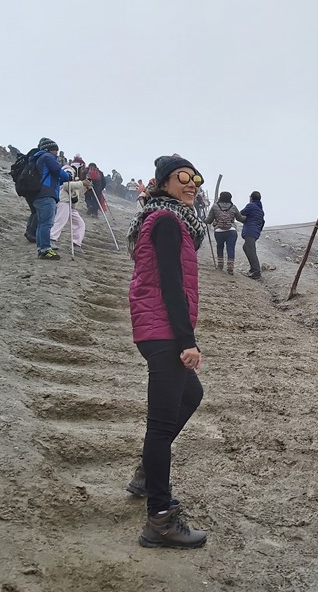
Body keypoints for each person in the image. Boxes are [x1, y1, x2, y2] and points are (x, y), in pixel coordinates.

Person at [126, 155, 207, 549]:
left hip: (155, 329)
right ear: (162, 183)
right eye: (183, 177)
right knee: (159, 428)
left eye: (196, 178)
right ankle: (160, 518)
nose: (192, 183)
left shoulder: (164, 218)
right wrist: (186, 340)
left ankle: (146, 473)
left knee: (192, 394)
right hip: (163, 332)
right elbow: (171, 285)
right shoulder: (167, 221)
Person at [31, 138, 72, 260]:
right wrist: (69, 176)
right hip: (46, 194)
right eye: (55, 150)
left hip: (38, 194)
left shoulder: (38, 158)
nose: (57, 153)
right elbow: (60, 173)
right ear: (50, 149)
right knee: (47, 223)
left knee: (42, 223)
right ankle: (45, 249)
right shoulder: (48, 157)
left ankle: (41, 249)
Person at [204, 191, 245, 275]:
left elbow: (209, 220)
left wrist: (203, 219)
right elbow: (240, 218)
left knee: (220, 247)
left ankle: (220, 265)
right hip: (232, 231)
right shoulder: (233, 207)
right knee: (230, 248)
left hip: (219, 231)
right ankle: (230, 268)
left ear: (220, 197)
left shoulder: (215, 206)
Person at [50, 167, 88, 255]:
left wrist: (86, 187)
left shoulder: (76, 178)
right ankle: (51, 239)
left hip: (70, 205)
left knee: (80, 223)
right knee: (60, 221)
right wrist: (82, 183)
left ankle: (76, 244)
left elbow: (76, 192)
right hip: (64, 201)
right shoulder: (68, 171)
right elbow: (66, 185)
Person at [240, 190, 265, 279]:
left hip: (250, 231)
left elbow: (241, 213)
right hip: (256, 232)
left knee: (251, 250)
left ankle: (256, 271)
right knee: (246, 248)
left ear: (251, 198)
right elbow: (262, 222)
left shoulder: (251, 206)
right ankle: (253, 270)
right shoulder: (260, 210)